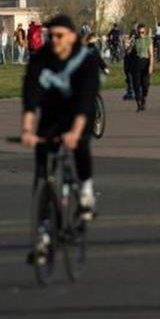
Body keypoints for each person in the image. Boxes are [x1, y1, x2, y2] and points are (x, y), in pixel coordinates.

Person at [21, 15, 102, 265]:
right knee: (43, 169)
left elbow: (86, 99)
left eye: (58, 35)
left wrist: (75, 132)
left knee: (79, 146)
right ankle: (43, 233)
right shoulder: (41, 59)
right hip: (52, 116)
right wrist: (27, 129)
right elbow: (31, 94)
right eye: (50, 35)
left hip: (78, 115)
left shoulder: (85, 60)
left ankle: (86, 191)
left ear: (72, 36)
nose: (53, 40)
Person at [129, 23, 155, 111]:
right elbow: (128, 52)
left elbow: (151, 55)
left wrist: (151, 66)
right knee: (136, 85)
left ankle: (143, 98)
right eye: (139, 33)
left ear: (145, 31)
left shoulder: (148, 40)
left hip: (145, 63)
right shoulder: (135, 40)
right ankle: (139, 103)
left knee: (145, 84)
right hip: (136, 64)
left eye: (143, 32)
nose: (141, 34)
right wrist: (130, 45)